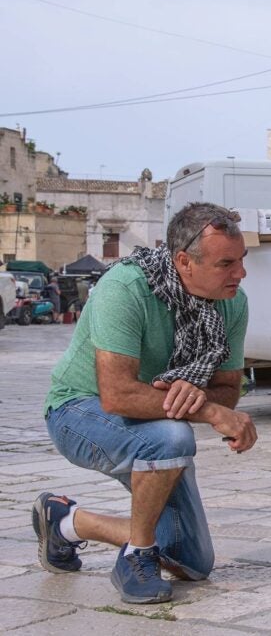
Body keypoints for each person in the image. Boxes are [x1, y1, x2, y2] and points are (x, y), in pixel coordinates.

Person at [32, 202, 257, 604]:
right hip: (78, 411)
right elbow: (117, 394)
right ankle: (136, 557)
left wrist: (201, 396)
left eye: (242, 260)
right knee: (172, 437)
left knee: (194, 561)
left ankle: (67, 521)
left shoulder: (232, 301)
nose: (240, 273)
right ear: (184, 261)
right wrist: (204, 408)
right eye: (226, 263)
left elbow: (227, 389)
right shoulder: (125, 287)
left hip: (151, 419)